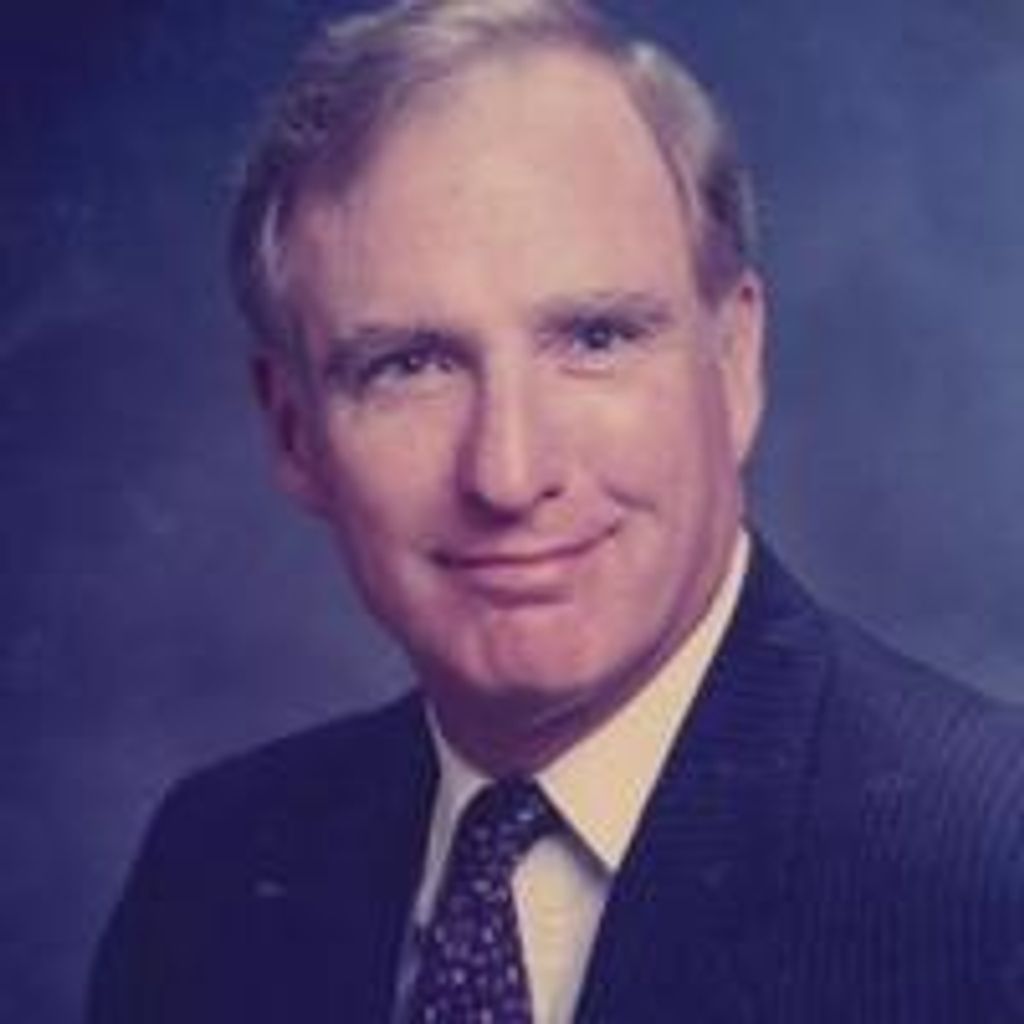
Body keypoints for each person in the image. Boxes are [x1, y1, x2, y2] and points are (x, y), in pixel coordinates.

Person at [88, 1, 1024, 1021]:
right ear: (292, 431)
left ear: (733, 361)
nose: (508, 472)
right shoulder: (211, 870)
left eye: (594, 339)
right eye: (412, 364)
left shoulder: (991, 868)